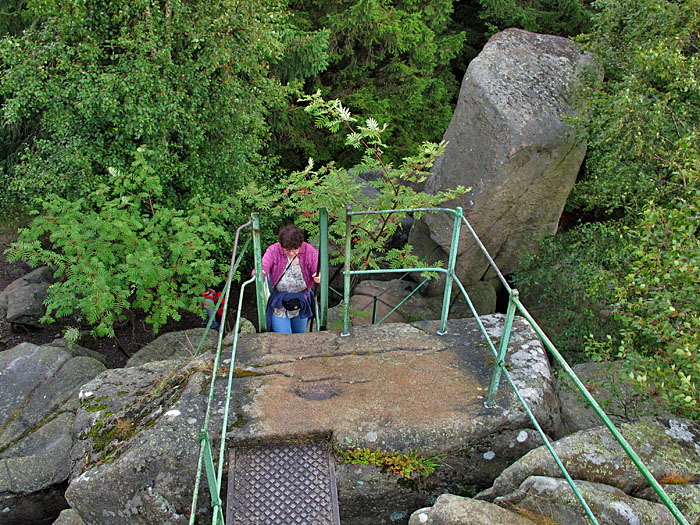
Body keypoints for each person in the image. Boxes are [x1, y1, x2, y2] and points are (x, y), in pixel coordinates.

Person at [261, 224, 320, 333]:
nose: (291, 253)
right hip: (280, 304)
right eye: (287, 250)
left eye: (295, 250)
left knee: (300, 336)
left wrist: (318, 275)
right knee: (283, 339)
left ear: (301, 245)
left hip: (301, 301)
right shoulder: (274, 250)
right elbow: (263, 265)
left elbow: (317, 268)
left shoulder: (309, 251)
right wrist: (259, 273)